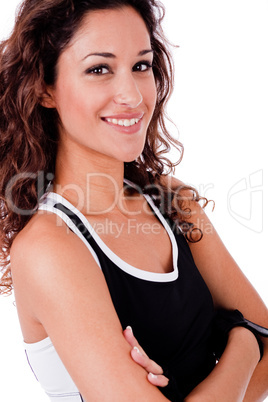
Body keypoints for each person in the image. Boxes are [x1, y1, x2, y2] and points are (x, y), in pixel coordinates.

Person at [0, 0, 268, 401]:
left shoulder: (173, 200)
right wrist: (245, 344)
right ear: (44, 89)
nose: (131, 94)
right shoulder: (48, 248)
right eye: (99, 69)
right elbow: (261, 337)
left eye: (141, 66)